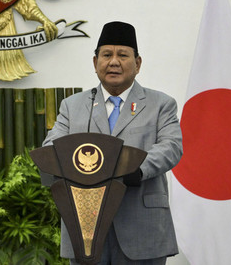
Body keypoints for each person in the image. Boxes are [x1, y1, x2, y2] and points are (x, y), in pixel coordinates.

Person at [43, 21, 182, 265]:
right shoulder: (72, 106)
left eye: (123, 55)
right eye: (106, 55)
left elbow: (171, 147)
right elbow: (52, 147)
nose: (114, 61)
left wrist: (136, 168)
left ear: (137, 64)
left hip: (140, 224)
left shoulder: (161, 104)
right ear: (95, 62)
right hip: (85, 228)